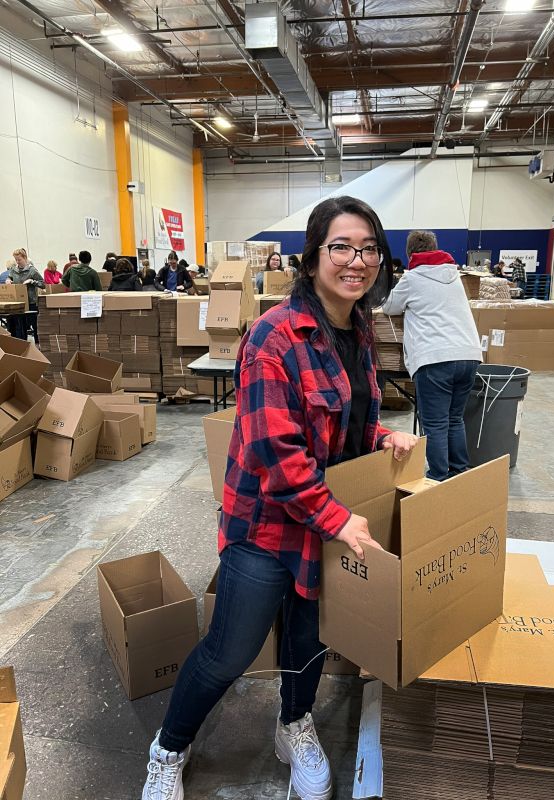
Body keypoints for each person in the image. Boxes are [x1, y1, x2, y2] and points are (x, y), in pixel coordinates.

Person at [140, 195, 419, 800]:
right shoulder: (272, 337)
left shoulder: (358, 328)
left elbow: (340, 422)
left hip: (327, 520)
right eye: (341, 246)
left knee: (309, 637)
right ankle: (168, 747)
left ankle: (294, 726)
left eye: (369, 248)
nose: (357, 261)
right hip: (267, 524)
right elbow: (278, 453)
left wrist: (381, 434)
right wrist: (336, 518)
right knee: (230, 648)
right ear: (314, 255)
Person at [382, 230, 482, 482]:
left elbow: (388, 307)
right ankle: (459, 472)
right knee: (454, 419)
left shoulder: (413, 277)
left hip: (435, 358)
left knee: (435, 423)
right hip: (468, 355)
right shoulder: (453, 274)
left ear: (410, 253)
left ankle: (437, 477)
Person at [8, 248, 45, 343]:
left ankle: (38, 345)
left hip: (31, 302)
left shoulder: (32, 270)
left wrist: (32, 281)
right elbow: (10, 277)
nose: (17, 262)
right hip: (19, 303)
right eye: (16, 259)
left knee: (35, 325)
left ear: (25, 258)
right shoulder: (13, 270)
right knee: (21, 326)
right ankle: (22, 345)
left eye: (19, 259)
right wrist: (8, 280)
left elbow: (43, 283)